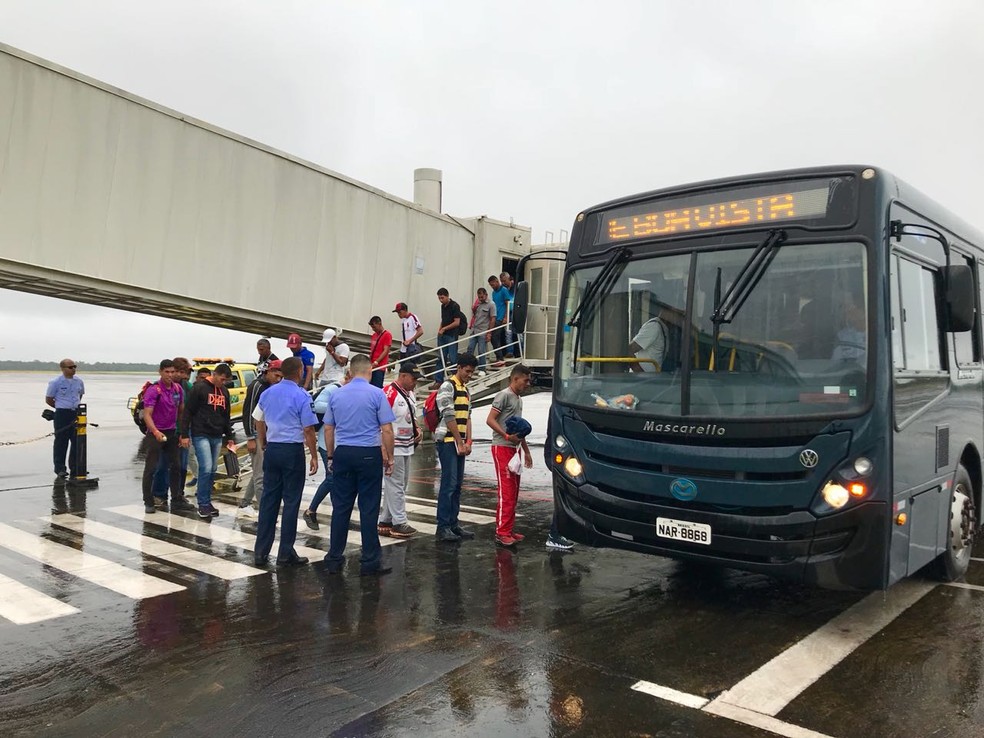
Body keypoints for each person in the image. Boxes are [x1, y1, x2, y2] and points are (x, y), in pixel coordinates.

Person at [322, 354, 396, 576]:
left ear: (351, 371)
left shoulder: (337, 394)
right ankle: (369, 561)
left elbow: (328, 428)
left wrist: (331, 456)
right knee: (369, 508)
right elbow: (387, 430)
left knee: (341, 507)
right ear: (370, 371)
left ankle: (334, 559)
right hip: (368, 454)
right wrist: (390, 458)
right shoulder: (377, 394)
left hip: (343, 453)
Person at [252, 357, 320, 567]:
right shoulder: (301, 395)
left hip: (272, 449)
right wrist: (314, 455)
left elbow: (258, 420)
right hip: (291, 450)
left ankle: (261, 552)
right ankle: (285, 552)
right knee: (291, 502)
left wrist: (263, 441)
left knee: (269, 501)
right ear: (299, 371)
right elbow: (308, 428)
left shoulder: (268, 392)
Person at [486, 364, 535, 547]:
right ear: (515, 379)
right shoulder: (504, 396)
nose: (527, 383)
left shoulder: (518, 399)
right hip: (502, 447)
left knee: (513, 492)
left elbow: (518, 428)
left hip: (514, 450)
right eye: (525, 379)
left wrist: (526, 451)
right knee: (506, 492)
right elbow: (490, 419)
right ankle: (502, 532)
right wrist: (506, 436)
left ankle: (508, 528)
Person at [181, 363, 237, 518]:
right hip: (201, 433)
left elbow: (226, 416)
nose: (223, 382)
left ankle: (207, 500)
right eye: (222, 379)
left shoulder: (224, 391)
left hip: (217, 434)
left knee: (212, 469)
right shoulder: (199, 388)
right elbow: (188, 412)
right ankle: (203, 503)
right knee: (205, 467)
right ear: (215, 374)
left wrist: (230, 437)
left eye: (225, 381)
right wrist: (185, 434)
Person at [140, 359, 194, 514]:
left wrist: (182, 433)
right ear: (160, 372)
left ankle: (176, 498)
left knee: (176, 466)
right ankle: (149, 501)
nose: (170, 375)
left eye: (172, 372)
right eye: (166, 372)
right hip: (155, 432)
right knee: (151, 467)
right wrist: (156, 432)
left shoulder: (177, 389)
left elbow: (182, 412)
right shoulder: (154, 390)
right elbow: (147, 415)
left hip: (171, 432)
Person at [435, 352, 478, 542]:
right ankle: (443, 526)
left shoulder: (466, 390)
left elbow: (468, 417)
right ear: (459, 367)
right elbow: (448, 415)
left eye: (472, 372)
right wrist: (459, 441)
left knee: (457, 485)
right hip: (447, 441)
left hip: (459, 442)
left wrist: (468, 441)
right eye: (467, 371)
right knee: (449, 484)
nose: (469, 374)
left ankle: (453, 523)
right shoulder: (447, 386)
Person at [379, 362, 424, 539]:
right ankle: (399, 522)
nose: (415, 383)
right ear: (403, 376)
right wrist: (383, 448)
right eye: (413, 379)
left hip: (407, 445)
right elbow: (380, 422)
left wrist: (417, 428)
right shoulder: (388, 394)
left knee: (400, 484)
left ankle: (386, 520)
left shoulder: (410, 394)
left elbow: (411, 416)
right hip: (393, 447)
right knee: (396, 484)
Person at [302, 369, 348, 530]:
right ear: (348, 378)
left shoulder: (345, 391)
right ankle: (310, 510)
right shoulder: (334, 389)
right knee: (332, 478)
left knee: (336, 479)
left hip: (337, 443)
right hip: (325, 442)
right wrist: (339, 405)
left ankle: (338, 514)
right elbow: (316, 405)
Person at [239, 359, 283, 517]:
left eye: (281, 377)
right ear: (268, 372)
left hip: (266, 433)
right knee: (260, 476)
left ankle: (245, 503)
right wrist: (250, 437)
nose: (278, 380)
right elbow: (249, 412)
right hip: (256, 434)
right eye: (276, 375)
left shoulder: (271, 386)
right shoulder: (257, 386)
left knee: (259, 470)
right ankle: (265, 511)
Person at [152, 356, 197, 504]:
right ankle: (159, 494)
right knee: (163, 465)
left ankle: (178, 494)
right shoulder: (157, 387)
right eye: (183, 372)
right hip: (165, 430)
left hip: (182, 431)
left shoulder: (186, 387)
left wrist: (185, 433)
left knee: (181, 465)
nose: (186, 376)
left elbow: (187, 410)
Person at [45, 359, 84, 480]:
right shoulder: (55, 382)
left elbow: (80, 395)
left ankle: (76, 468)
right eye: (70, 367)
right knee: (61, 442)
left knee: (77, 442)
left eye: (74, 367)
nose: (73, 369)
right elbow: (49, 399)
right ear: (63, 368)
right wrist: (61, 407)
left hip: (76, 413)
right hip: (62, 414)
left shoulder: (79, 381)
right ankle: (60, 469)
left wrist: (74, 407)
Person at [434, 288, 463, 387]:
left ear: (447, 296)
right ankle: (438, 380)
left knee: (453, 358)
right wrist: (440, 329)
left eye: (442, 298)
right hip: (443, 334)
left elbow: (457, 322)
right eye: (439, 298)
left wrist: (444, 328)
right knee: (440, 358)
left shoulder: (455, 306)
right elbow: (443, 319)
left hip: (451, 335)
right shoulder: (443, 306)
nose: (441, 300)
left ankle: (456, 379)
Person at [467, 287, 496, 374]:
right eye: (479, 297)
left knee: (481, 350)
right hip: (474, 330)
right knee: (470, 349)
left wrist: (489, 332)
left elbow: (493, 319)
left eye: (482, 297)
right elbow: (475, 316)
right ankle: (469, 367)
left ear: (486, 295)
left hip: (483, 331)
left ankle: (482, 369)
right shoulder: (478, 304)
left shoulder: (491, 304)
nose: (480, 299)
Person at [832, 293, 867, 363]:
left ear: (863, 311)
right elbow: (835, 363)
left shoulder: (879, 336)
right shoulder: (842, 336)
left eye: (851, 308)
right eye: (846, 309)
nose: (847, 312)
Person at [488, 275, 510, 362]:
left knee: (495, 337)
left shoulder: (504, 290)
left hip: (500, 317)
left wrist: (505, 317)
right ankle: (499, 356)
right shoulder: (494, 293)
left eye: (493, 284)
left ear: (497, 282)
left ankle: (500, 357)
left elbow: (507, 304)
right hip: (495, 316)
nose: (492, 287)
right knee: (494, 338)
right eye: (491, 285)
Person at [368, 316, 393, 388]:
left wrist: (376, 362)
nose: (373, 329)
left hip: (379, 367)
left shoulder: (387, 335)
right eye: (372, 327)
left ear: (379, 324)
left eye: (374, 327)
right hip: (372, 365)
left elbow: (386, 350)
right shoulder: (374, 335)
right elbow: (372, 350)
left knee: (376, 387)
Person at [499, 272, 516, 358]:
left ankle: (521, 351)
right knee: (508, 332)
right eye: (501, 281)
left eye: (504, 281)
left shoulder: (516, 288)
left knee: (519, 333)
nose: (503, 283)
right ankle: (510, 352)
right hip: (507, 312)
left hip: (516, 312)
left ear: (509, 279)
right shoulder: (503, 289)